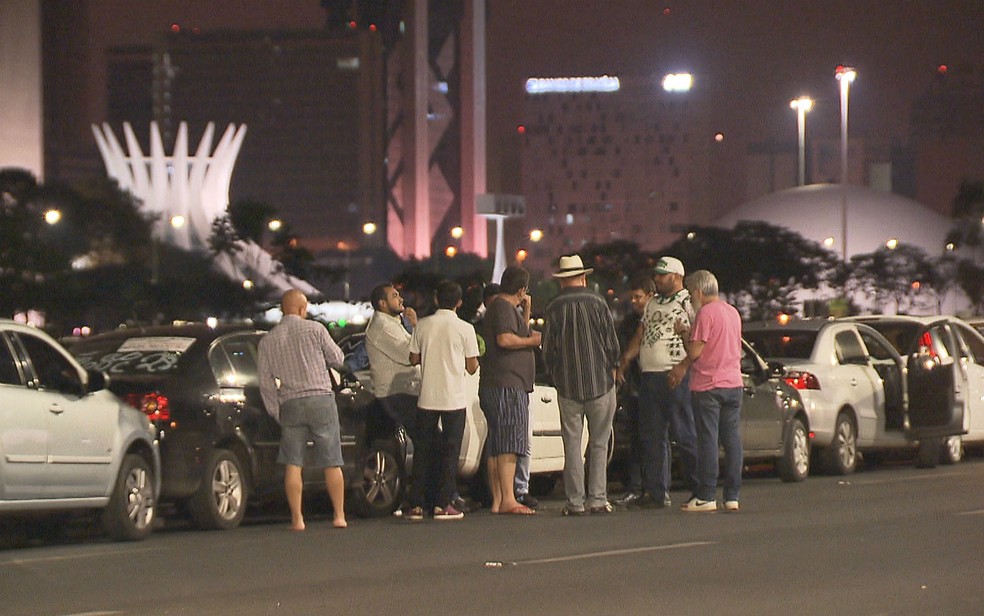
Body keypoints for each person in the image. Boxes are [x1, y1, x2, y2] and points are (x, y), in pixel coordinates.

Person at [257, 289, 348, 530]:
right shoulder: (316, 330)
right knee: (331, 459)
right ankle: (339, 515)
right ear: (301, 309)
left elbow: (265, 383)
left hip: (290, 403)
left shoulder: (268, 340)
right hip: (320, 399)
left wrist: (276, 411)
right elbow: (338, 358)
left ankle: (297, 519)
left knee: (293, 462)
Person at [615, 256, 699, 509]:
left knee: (684, 434)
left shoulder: (687, 303)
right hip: (650, 375)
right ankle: (656, 491)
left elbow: (698, 339)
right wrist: (626, 360)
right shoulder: (652, 304)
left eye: (662, 275)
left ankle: (698, 489)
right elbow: (641, 334)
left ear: (676, 276)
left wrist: (684, 367)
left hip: (674, 375)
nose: (658, 279)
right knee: (652, 435)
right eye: (657, 275)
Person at [541, 254, 621, 516]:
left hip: (568, 387)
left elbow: (548, 350)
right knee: (599, 443)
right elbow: (611, 344)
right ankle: (598, 499)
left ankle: (575, 502)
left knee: (572, 445)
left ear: (562, 281)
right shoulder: (598, 302)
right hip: (600, 382)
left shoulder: (553, 307)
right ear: (583, 277)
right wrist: (612, 367)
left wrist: (556, 374)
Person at [669, 270, 744, 513]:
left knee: (708, 441)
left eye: (691, 294)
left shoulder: (705, 314)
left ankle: (707, 495)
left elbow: (695, 352)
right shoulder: (732, 312)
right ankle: (732, 495)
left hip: (708, 386)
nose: (691, 298)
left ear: (699, 292)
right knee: (732, 440)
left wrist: (683, 333)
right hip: (733, 383)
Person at [407, 280, 480, 520]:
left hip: (427, 397)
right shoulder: (465, 329)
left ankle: (416, 504)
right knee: (451, 452)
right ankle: (442, 504)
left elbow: (413, 358)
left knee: (422, 451)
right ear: (459, 302)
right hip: (454, 398)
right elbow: (471, 367)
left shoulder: (423, 325)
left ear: (437, 299)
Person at [478, 266, 540, 515]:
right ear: (522, 289)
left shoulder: (503, 308)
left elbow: (517, 331)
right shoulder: (503, 308)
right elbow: (505, 339)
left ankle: (499, 499)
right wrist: (533, 341)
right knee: (509, 442)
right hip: (507, 384)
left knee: (497, 442)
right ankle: (508, 499)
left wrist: (526, 312)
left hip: (501, 384)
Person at [611, 275, 655, 506]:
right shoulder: (629, 323)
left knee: (655, 439)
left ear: (650, 296)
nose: (635, 302)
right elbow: (621, 349)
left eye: (639, 297)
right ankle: (636, 487)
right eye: (633, 298)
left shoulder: (659, 319)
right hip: (635, 386)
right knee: (636, 440)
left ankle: (655, 487)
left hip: (654, 383)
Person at [365, 283, 419, 433]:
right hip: (397, 394)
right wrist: (416, 327)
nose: (401, 299)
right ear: (382, 304)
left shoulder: (391, 322)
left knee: (428, 441)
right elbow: (411, 355)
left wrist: (415, 327)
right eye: (395, 296)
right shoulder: (383, 326)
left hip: (403, 392)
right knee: (428, 440)